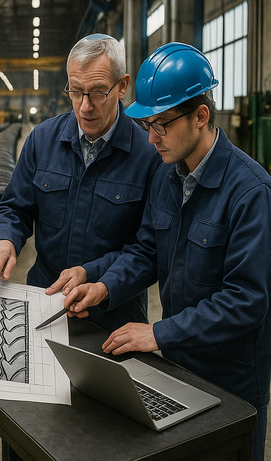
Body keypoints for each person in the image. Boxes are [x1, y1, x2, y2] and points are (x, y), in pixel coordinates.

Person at [55, 42, 271, 460]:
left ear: (201, 117)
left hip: (232, 387)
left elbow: (247, 300)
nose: (150, 138)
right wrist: (102, 285)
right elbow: (146, 251)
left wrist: (157, 333)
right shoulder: (168, 177)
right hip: (179, 370)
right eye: (148, 124)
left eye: (161, 125)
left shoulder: (250, 192)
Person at [0, 33, 161, 331]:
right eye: (76, 91)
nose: (84, 107)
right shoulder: (43, 140)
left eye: (97, 92)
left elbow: (150, 250)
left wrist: (93, 276)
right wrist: (4, 238)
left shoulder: (150, 155)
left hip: (113, 315)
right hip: (45, 301)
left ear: (122, 86)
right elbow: (14, 208)